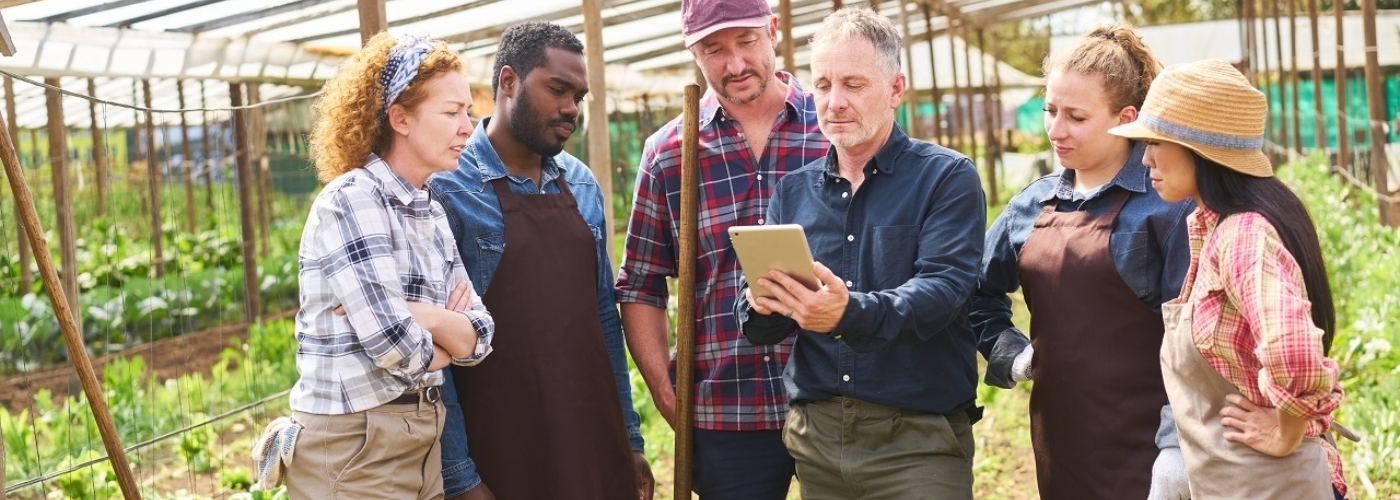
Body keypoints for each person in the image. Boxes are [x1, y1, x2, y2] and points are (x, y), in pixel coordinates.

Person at [736, 8, 986, 498]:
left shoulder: (946, 178)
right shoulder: (793, 192)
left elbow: (943, 290)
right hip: (819, 441)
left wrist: (847, 312)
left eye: (854, 84)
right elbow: (764, 328)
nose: (835, 102)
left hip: (918, 441)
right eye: (822, 85)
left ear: (895, 89)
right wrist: (762, 302)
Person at [429, 21, 653, 500]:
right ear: (508, 82)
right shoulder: (448, 189)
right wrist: (460, 476)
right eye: (557, 89)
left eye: (579, 96)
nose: (571, 107)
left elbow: (604, 319)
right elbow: (436, 358)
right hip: (504, 447)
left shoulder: (583, 184)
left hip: (591, 438)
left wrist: (629, 440)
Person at [970, 24, 1194, 500]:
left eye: (1076, 117)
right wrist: (1011, 352)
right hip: (1062, 442)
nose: (1055, 130)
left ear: (1126, 118)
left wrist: (1176, 448)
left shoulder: (1166, 207)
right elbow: (974, 292)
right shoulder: (1030, 205)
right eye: (1050, 111)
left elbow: (1195, 340)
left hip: (1153, 449)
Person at [1109, 58, 1349, 500]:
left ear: (1200, 148)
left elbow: (1295, 351)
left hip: (1272, 484)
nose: (1146, 159)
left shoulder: (1242, 235)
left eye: (1156, 142)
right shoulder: (1213, 225)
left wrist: (1284, 432)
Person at [615, 0, 827, 497]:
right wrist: (664, 391)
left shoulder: (831, 128)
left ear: (773, 30)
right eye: (713, 50)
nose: (735, 64)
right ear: (692, 52)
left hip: (835, 400)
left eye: (746, 41)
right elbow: (641, 284)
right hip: (725, 412)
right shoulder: (669, 153)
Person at [281, 32, 494, 500]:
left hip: (419, 438)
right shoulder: (352, 200)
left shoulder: (429, 209)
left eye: (468, 112)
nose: (467, 127)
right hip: (355, 445)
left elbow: (480, 337)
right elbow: (397, 347)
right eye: (452, 112)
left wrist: (423, 315)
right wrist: (445, 332)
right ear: (400, 118)